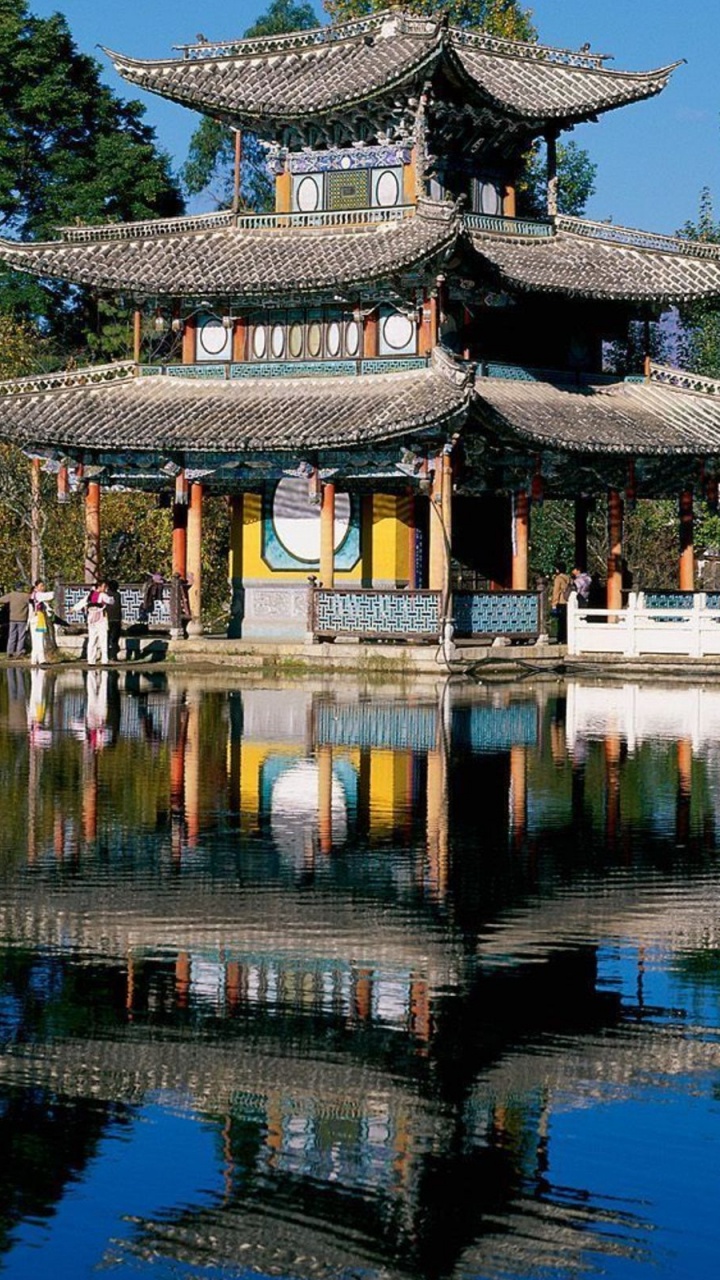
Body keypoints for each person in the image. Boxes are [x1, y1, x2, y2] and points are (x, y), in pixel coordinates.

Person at [72, 579, 112, 664]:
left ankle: (91, 660)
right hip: (100, 619)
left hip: (92, 619)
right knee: (103, 639)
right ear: (99, 587)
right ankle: (104, 660)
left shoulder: (90, 594)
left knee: (92, 640)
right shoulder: (102, 595)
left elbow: (82, 602)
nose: (105, 588)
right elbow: (111, 601)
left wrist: (74, 608)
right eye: (104, 586)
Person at [28, 580, 55, 666]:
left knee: (36, 640)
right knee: (39, 639)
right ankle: (41, 659)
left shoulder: (33, 595)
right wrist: (56, 591)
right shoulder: (37, 595)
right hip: (37, 619)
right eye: (41, 586)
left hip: (34, 619)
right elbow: (49, 596)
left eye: (43, 586)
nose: (43, 588)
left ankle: (34, 659)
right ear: (36, 587)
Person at [0, 582, 31, 657]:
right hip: (22, 619)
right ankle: (19, 652)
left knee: (12, 635)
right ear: (22, 587)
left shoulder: (11, 595)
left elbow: (1, 600)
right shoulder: (26, 596)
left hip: (12, 618)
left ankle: (10, 652)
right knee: (21, 636)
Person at [550, 563, 572, 644]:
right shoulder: (569, 578)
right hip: (568, 602)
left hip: (561, 601)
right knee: (567, 621)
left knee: (561, 622)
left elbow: (556, 591)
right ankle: (567, 637)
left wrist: (554, 603)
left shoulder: (558, 579)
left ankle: (561, 638)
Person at [105, 580, 123, 660]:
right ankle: (113, 655)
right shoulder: (118, 595)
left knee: (108, 637)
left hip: (107, 619)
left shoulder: (106, 595)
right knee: (115, 638)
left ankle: (108, 655)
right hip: (117, 619)